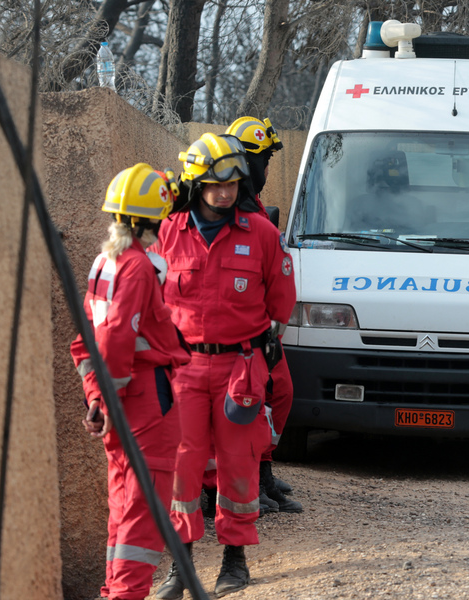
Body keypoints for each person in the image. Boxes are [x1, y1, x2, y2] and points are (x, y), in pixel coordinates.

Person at [153, 132, 296, 599]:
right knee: (183, 467)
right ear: (195, 184)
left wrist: (261, 351)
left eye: (233, 184)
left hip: (241, 368)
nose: (225, 192)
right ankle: (182, 564)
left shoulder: (263, 235)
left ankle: (235, 560)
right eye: (215, 185)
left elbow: (280, 303)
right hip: (183, 368)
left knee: (238, 466)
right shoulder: (168, 231)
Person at [70, 164, 189, 600]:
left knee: (123, 508)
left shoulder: (105, 263)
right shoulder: (138, 267)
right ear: (152, 220)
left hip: (119, 404)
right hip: (144, 404)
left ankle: (113, 593)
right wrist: (110, 398)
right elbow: (118, 338)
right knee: (144, 516)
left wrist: (97, 399)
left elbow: (85, 341)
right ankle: (125, 595)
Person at [226, 116, 301, 515]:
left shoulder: (253, 205)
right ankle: (250, 477)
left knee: (280, 392)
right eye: (265, 161)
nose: (270, 170)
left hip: (262, 326)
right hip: (235, 331)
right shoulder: (228, 205)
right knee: (252, 401)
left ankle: (263, 467)